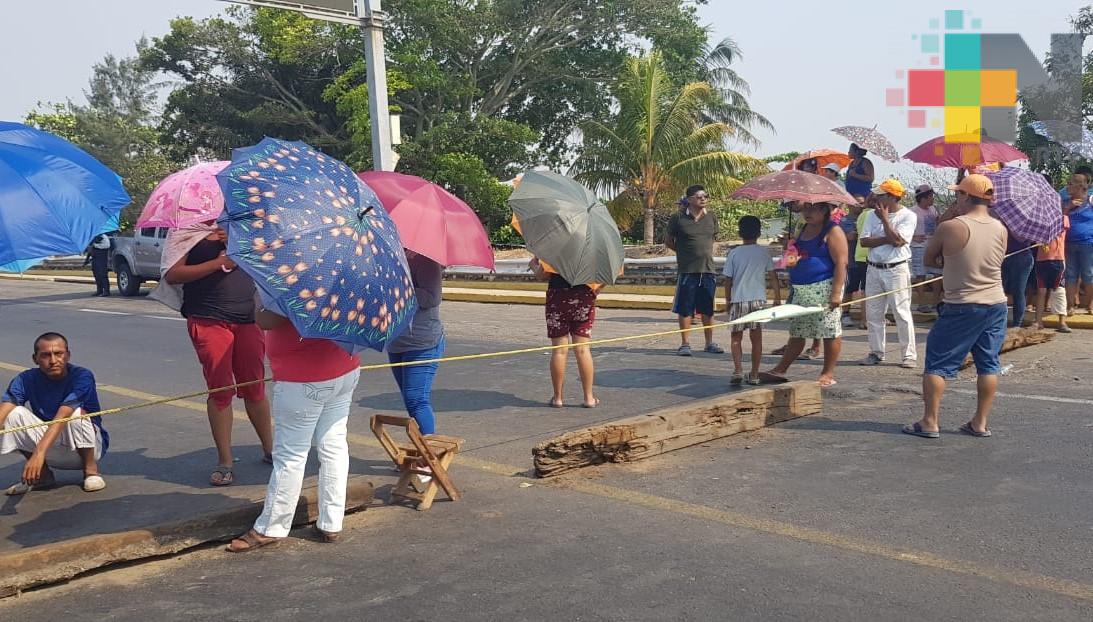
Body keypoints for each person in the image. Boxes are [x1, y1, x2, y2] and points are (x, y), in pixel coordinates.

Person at [226, 300, 361, 551]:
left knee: (291, 454)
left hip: (305, 378)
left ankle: (271, 527)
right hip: (344, 367)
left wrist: (259, 299)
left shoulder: (298, 274)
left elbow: (267, 320)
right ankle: (331, 522)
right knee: (333, 444)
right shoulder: (344, 270)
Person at [164, 224, 273, 487]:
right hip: (207, 317)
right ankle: (225, 461)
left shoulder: (245, 224)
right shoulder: (185, 229)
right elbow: (172, 273)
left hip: (248, 317)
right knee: (221, 390)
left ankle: (271, 450)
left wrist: (237, 241)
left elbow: (268, 261)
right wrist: (217, 263)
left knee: (255, 387)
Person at [904, 174, 1007, 439]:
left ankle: (930, 421)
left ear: (965, 196)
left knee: (938, 363)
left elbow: (929, 259)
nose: (955, 199)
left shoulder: (951, 227)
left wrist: (948, 263)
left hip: (962, 303)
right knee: (988, 364)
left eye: (958, 194)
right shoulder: (1000, 228)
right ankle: (980, 422)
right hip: (995, 303)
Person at [1, 333, 107, 494]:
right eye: (45, 355)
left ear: (68, 355)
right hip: (51, 445)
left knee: (76, 413)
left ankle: (91, 471)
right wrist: (38, 455)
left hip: (87, 446)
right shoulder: (25, 379)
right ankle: (42, 476)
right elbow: (4, 411)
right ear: (35, 359)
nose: (53, 361)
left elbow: (62, 416)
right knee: (13, 414)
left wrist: (39, 453)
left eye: (58, 354)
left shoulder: (82, 376)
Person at [763, 203, 848, 387]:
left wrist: (836, 293)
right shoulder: (802, 229)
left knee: (829, 330)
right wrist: (790, 249)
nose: (807, 213)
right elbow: (792, 261)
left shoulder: (833, 231)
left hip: (824, 286)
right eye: (805, 209)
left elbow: (842, 262)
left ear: (824, 210)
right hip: (801, 288)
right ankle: (781, 369)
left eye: (813, 209)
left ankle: (827, 372)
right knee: (798, 330)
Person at [859, 179, 918, 368]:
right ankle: (876, 352)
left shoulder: (908, 216)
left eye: (881, 195)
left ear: (892, 197)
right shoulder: (870, 215)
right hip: (874, 267)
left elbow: (899, 241)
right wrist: (888, 238)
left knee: (901, 312)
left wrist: (885, 220)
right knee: (874, 314)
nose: (876, 197)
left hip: (896, 269)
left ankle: (908, 355)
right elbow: (864, 242)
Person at [387, 250, 445, 434]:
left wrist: (401, 287)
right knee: (409, 400)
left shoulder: (425, 261)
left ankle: (429, 455)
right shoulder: (387, 258)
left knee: (416, 399)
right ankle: (422, 448)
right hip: (396, 341)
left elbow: (433, 298)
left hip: (422, 342)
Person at [531, 258, 600, 408]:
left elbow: (542, 275)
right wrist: (598, 288)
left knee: (559, 351)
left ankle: (558, 398)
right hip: (584, 295)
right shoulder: (592, 247)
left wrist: (533, 266)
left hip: (558, 296)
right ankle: (589, 398)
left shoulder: (556, 245)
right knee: (583, 350)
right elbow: (608, 274)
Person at [666, 185, 723, 357]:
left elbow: (712, 239)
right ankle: (685, 343)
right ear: (689, 199)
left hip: (707, 269)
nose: (704, 199)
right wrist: (683, 253)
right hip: (687, 270)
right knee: (685, 308)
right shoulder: (677, 218)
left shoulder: (711, 217)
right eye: (699, 196)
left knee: (707, 308)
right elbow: (669, 241)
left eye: (706, 196)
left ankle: (709, 342)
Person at [723, 216, 780, 385]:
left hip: (739, 299)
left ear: (740, 232)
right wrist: (777, 298)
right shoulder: (763, 253)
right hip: (758, 301)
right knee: (757, 339)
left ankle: (738, 370)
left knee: (736, 338)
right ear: (759, 232)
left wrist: (728, 301)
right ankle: (754, 374)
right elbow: (773, 276)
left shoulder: (734, 253)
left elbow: (728, 280)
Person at [1033, 204, 1070, 333]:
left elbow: (1059, 229)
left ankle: (1062, 322)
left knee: (1059, 290)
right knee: (1041, 291)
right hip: (1041, 260)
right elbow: (1035, 236)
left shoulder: (1063, 218)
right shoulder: (1038, 220)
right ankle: (1038, 321)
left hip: (1057, 259)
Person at [1064, 173, 1093, 315]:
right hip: (1069, 244)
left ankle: (1090, 305)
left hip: (1088, 244)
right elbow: (1060, 219)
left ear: (1080, 186)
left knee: (1088, 274)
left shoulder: (1090, 201)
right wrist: (1068, 208)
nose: (1067, 186)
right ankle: (1070, 306)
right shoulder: (1065, 202)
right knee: (1070, 275)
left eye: (1070, 183)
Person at [909, 185, 941, 313]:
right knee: (920, 274)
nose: (933, 199)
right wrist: (913, 237)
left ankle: (935, 301)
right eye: (931, 196)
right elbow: (903, 229)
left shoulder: (934, 209)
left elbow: (938, 224)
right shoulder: (912, 211)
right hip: (918, 247)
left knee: (937, 272)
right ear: (924, 198)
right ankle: (922, 303)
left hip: (932, 245)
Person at [840, 196, 865, 328]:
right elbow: (851, 236)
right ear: (850, 205)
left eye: (863, 203)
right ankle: (845, 314)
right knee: (850, 288)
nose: (861, 206)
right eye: (858, 203)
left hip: (864, 260)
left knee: (865, 290)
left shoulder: (866, 218)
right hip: (851, 260)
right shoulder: (845, 221)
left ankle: (865, 316)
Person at [84, 233, 112, 297]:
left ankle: (106, 291)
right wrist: (87, 259)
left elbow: (107, 245)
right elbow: (90, 250)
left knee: (103, 275)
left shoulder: (104, 237)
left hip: (102, 259)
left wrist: (95, 245)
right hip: (95, 259)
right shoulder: (93, 237)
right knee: (96, 275)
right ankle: (99, 290)